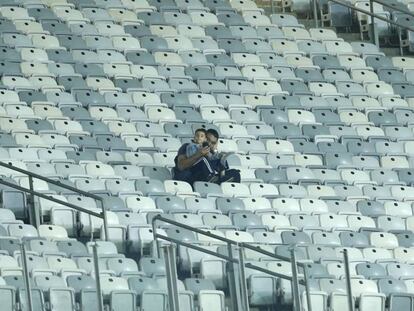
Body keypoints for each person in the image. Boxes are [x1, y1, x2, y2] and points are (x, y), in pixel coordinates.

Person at [173, 128, 240, 184]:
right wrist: (199, 154)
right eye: (208, 140)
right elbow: (181, 166)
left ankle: (217, 184)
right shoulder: (187, 146)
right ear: (204, 138)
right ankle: (215, 182)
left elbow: (223, 171)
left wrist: (215, 151)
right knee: (203, 161)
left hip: (209, 181)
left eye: (213, 143)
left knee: (235, 173)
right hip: (192, 177)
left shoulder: (213, 153)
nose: (209, 144)